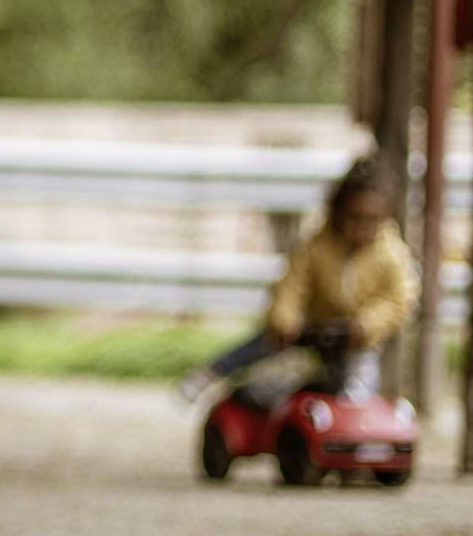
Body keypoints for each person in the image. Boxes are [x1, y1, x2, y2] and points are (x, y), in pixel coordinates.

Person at [178, 152, 419, 405]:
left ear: (385, 218)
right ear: (338, 211)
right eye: (354, 217)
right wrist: (285, 319)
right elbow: (292, 286)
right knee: (266, 342)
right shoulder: (316, 245)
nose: (362, 227)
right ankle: (212, 372)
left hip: (354, 335)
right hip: (311, 326)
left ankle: (353, 418)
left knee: (361, 379)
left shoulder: (392, 253)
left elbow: (397, 298)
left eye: (371, 220)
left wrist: (367, 325)